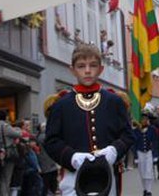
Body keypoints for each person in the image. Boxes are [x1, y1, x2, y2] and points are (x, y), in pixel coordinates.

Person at [44, 43, 134, 196]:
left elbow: (127, 135)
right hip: (73, 178)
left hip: (107, 176)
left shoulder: (114, 101)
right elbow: (51, 141)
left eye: (93, 65)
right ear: (72, 70)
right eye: (81, 66)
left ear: (101, 69)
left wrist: (113, 150)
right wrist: (72, 157)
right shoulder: (61, 105)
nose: (87, 71)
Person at [0, 110, 22, 196]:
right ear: (5, 117)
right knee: (6, 178)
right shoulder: (5, 126)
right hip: (8, 154)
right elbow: (18, 134)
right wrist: (17, 128)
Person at [134, 113, 158, 196]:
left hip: (149, 153)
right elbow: (134, 144)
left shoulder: (152, 129)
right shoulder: (136, 130)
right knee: (142, 173)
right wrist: (135, 156)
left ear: (147, 120)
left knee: (149, 172)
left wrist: (155, 155)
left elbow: (155, 142)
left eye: (145, 119)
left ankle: (149, 191)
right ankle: (144, 188)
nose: (144, 120)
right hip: (140, 153)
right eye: (142, 119)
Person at [36, 122, 58, 196]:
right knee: (49, 183)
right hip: (47, 163)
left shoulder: (40, 136)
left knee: (49, 183)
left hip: (48, 163)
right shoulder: (42, 137)